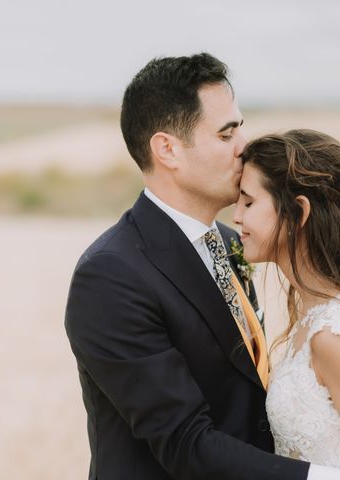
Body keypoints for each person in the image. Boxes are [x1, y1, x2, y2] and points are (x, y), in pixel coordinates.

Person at [65, 54, 339, 479]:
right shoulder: (111, 276)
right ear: (168, 150)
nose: (243, 145)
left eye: (241, 127)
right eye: (227, 133)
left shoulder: (232, 246)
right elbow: (183, 442)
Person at [233, 129, 340, 467]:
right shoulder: (309, 319)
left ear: (298, 213)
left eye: (248, 202)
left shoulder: (330, 337)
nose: (236, 216)